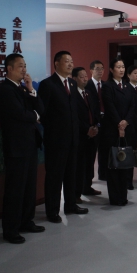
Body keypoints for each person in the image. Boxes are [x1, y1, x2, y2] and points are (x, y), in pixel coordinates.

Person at [0, 53, 45, 244]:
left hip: (29, 144)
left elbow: (40, 109)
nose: (24, 69)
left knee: (29, 186)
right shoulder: (6, 90)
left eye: (25, 66)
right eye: (20, 66)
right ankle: (11, 229)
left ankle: (26, 221)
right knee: (15, 189)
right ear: (9, 68)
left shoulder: (23, 89)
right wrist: (35, 116)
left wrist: (31, 89)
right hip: (16, 146)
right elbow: (20, 114)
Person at [38, 51, 88, 223]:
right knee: (55, 176)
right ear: (56, 63)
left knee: (71, 174)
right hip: (56, 140)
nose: (70, 64)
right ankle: (52, 210)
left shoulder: (72, 84)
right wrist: (55, 130)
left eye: (71, 61)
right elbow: (42, 113)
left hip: (73, 138)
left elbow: (75, 111)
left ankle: (71, 204)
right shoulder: (47, 84)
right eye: (67, 61)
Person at [101, 59, 137, 205]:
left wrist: (126, 122)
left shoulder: (128, 86)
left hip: (127, 130)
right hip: (112, 130)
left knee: (125, 163)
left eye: (123, 67)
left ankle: (123, 195)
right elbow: (109, 107)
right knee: (114, 164)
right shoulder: (107, 86)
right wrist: (119, 124)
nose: (121, 69)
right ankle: (115, 197)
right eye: (118, 67)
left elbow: (133, 107)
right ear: (111, 70)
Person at [72, 67, 100, 203]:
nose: (85, 79)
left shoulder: (88, 93)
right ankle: (76, 194)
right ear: (74, 79)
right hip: (80, 135)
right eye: (81, 76)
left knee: (90, 163)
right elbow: (74, 116)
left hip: (92, 134)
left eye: (85, 76)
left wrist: (95, 126)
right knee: (79, 166)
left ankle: (87, 187)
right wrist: (86, 129)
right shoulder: (72, 94)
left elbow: (94, 111)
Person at [84, 60, 105, 194]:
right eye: (97, 69)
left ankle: (104, 174)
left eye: (102, 69)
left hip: (106, 123)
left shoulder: (106, 85)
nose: (100, 71)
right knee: (90, 155)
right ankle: (87, 184)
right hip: (93, 124)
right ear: (91, 70)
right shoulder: (87, 85)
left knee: (105, 151)